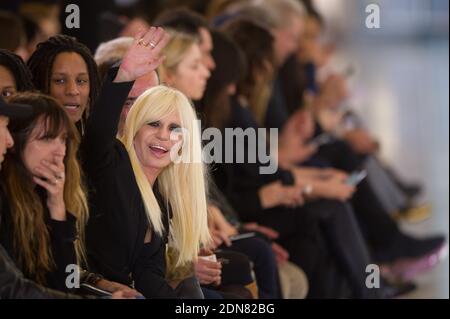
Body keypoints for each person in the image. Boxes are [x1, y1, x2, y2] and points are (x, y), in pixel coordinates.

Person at [82, 27, 210, 298]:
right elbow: (96, 138)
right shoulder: (113, 164)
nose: (163, 136)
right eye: (153, 124)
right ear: (135, 127)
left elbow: (147, 273)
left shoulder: (161, 198)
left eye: (175, 128)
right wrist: (125, 73)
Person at [27, 35, 101, 135]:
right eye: (60, 81)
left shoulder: (99, 147)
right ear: (38, 84)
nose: (72, 91)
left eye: (81, 81)